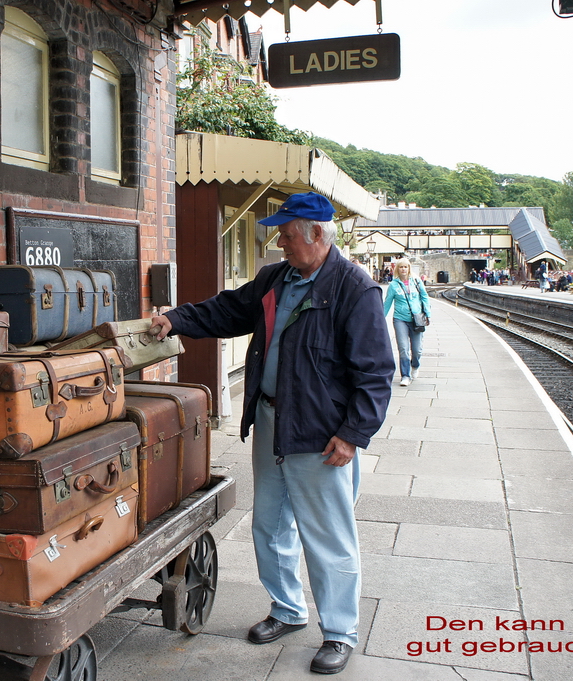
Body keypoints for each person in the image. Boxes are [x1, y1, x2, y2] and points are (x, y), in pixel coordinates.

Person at [149, 192, 393, 675]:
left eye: (287, 235)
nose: (279, 243)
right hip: (271, 420)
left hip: (321, 434)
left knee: (328, 538)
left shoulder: (355, 290)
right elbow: (226, 311)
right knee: (270, 526)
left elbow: (376, 373)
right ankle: (287, 609)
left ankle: (340, 633)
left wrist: (352, 434)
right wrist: (174, 319)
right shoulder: (275, 279)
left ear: (318, 235)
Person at [382, 258, 431, 386]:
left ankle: (415, 365)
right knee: (403, 348)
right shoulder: (393, 285)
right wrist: (380, 319)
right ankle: (405, 375)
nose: (403, 269)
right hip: (400, 319)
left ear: (409, 268)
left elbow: (424, 297)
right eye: (401, 267)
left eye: (405, 267)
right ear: (397, 269)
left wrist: (428, 314)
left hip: (417, 319)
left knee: (417, 350)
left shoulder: (416, 281)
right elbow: (387, 303)